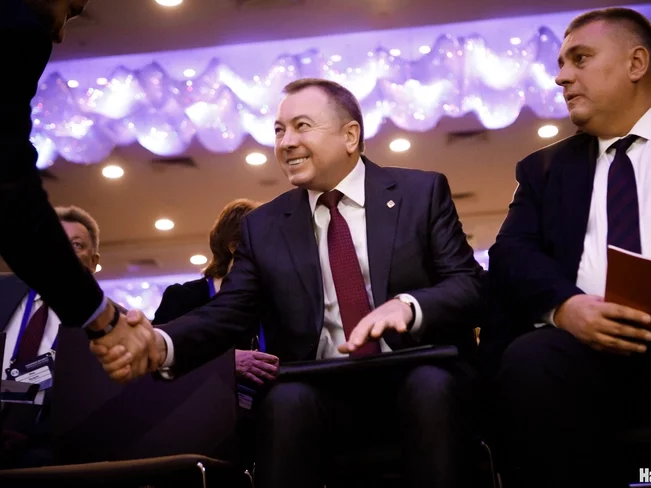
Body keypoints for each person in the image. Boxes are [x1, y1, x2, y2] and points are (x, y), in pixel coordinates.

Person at [94, 78, 484, 488]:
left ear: (350, 136)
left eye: (302, 126)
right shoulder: (263, 226)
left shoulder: (420, 193)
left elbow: (470, 285)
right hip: (322, 386)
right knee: (285, 401)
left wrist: (408, 305)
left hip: (416, 370)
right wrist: (160, 343)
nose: (286, 143)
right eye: (279, 131)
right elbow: (227, 312)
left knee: (431, 387)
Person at [481, 7, 651, 487]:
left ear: (637, 63)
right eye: (560, 64)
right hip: (589, 352)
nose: (561, 77)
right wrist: (565, 307)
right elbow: (512, 252)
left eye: (579, 59)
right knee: (530, 360)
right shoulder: (542, 170)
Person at [0, 0, 157, 377]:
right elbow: (9, 193)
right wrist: (102, 319)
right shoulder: (16, 29)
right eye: (70, 11)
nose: (59, 35)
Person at [1, 205, 102, 468]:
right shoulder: (2, 290)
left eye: (76, 245)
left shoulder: (108, 324)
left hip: (51, 456)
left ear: (93, 262)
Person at [152, 198, 279, 386]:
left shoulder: (276, 300)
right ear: (233, 246)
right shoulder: (182, 297)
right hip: (200, 400)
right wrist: (224, 362)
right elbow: (157, 364)